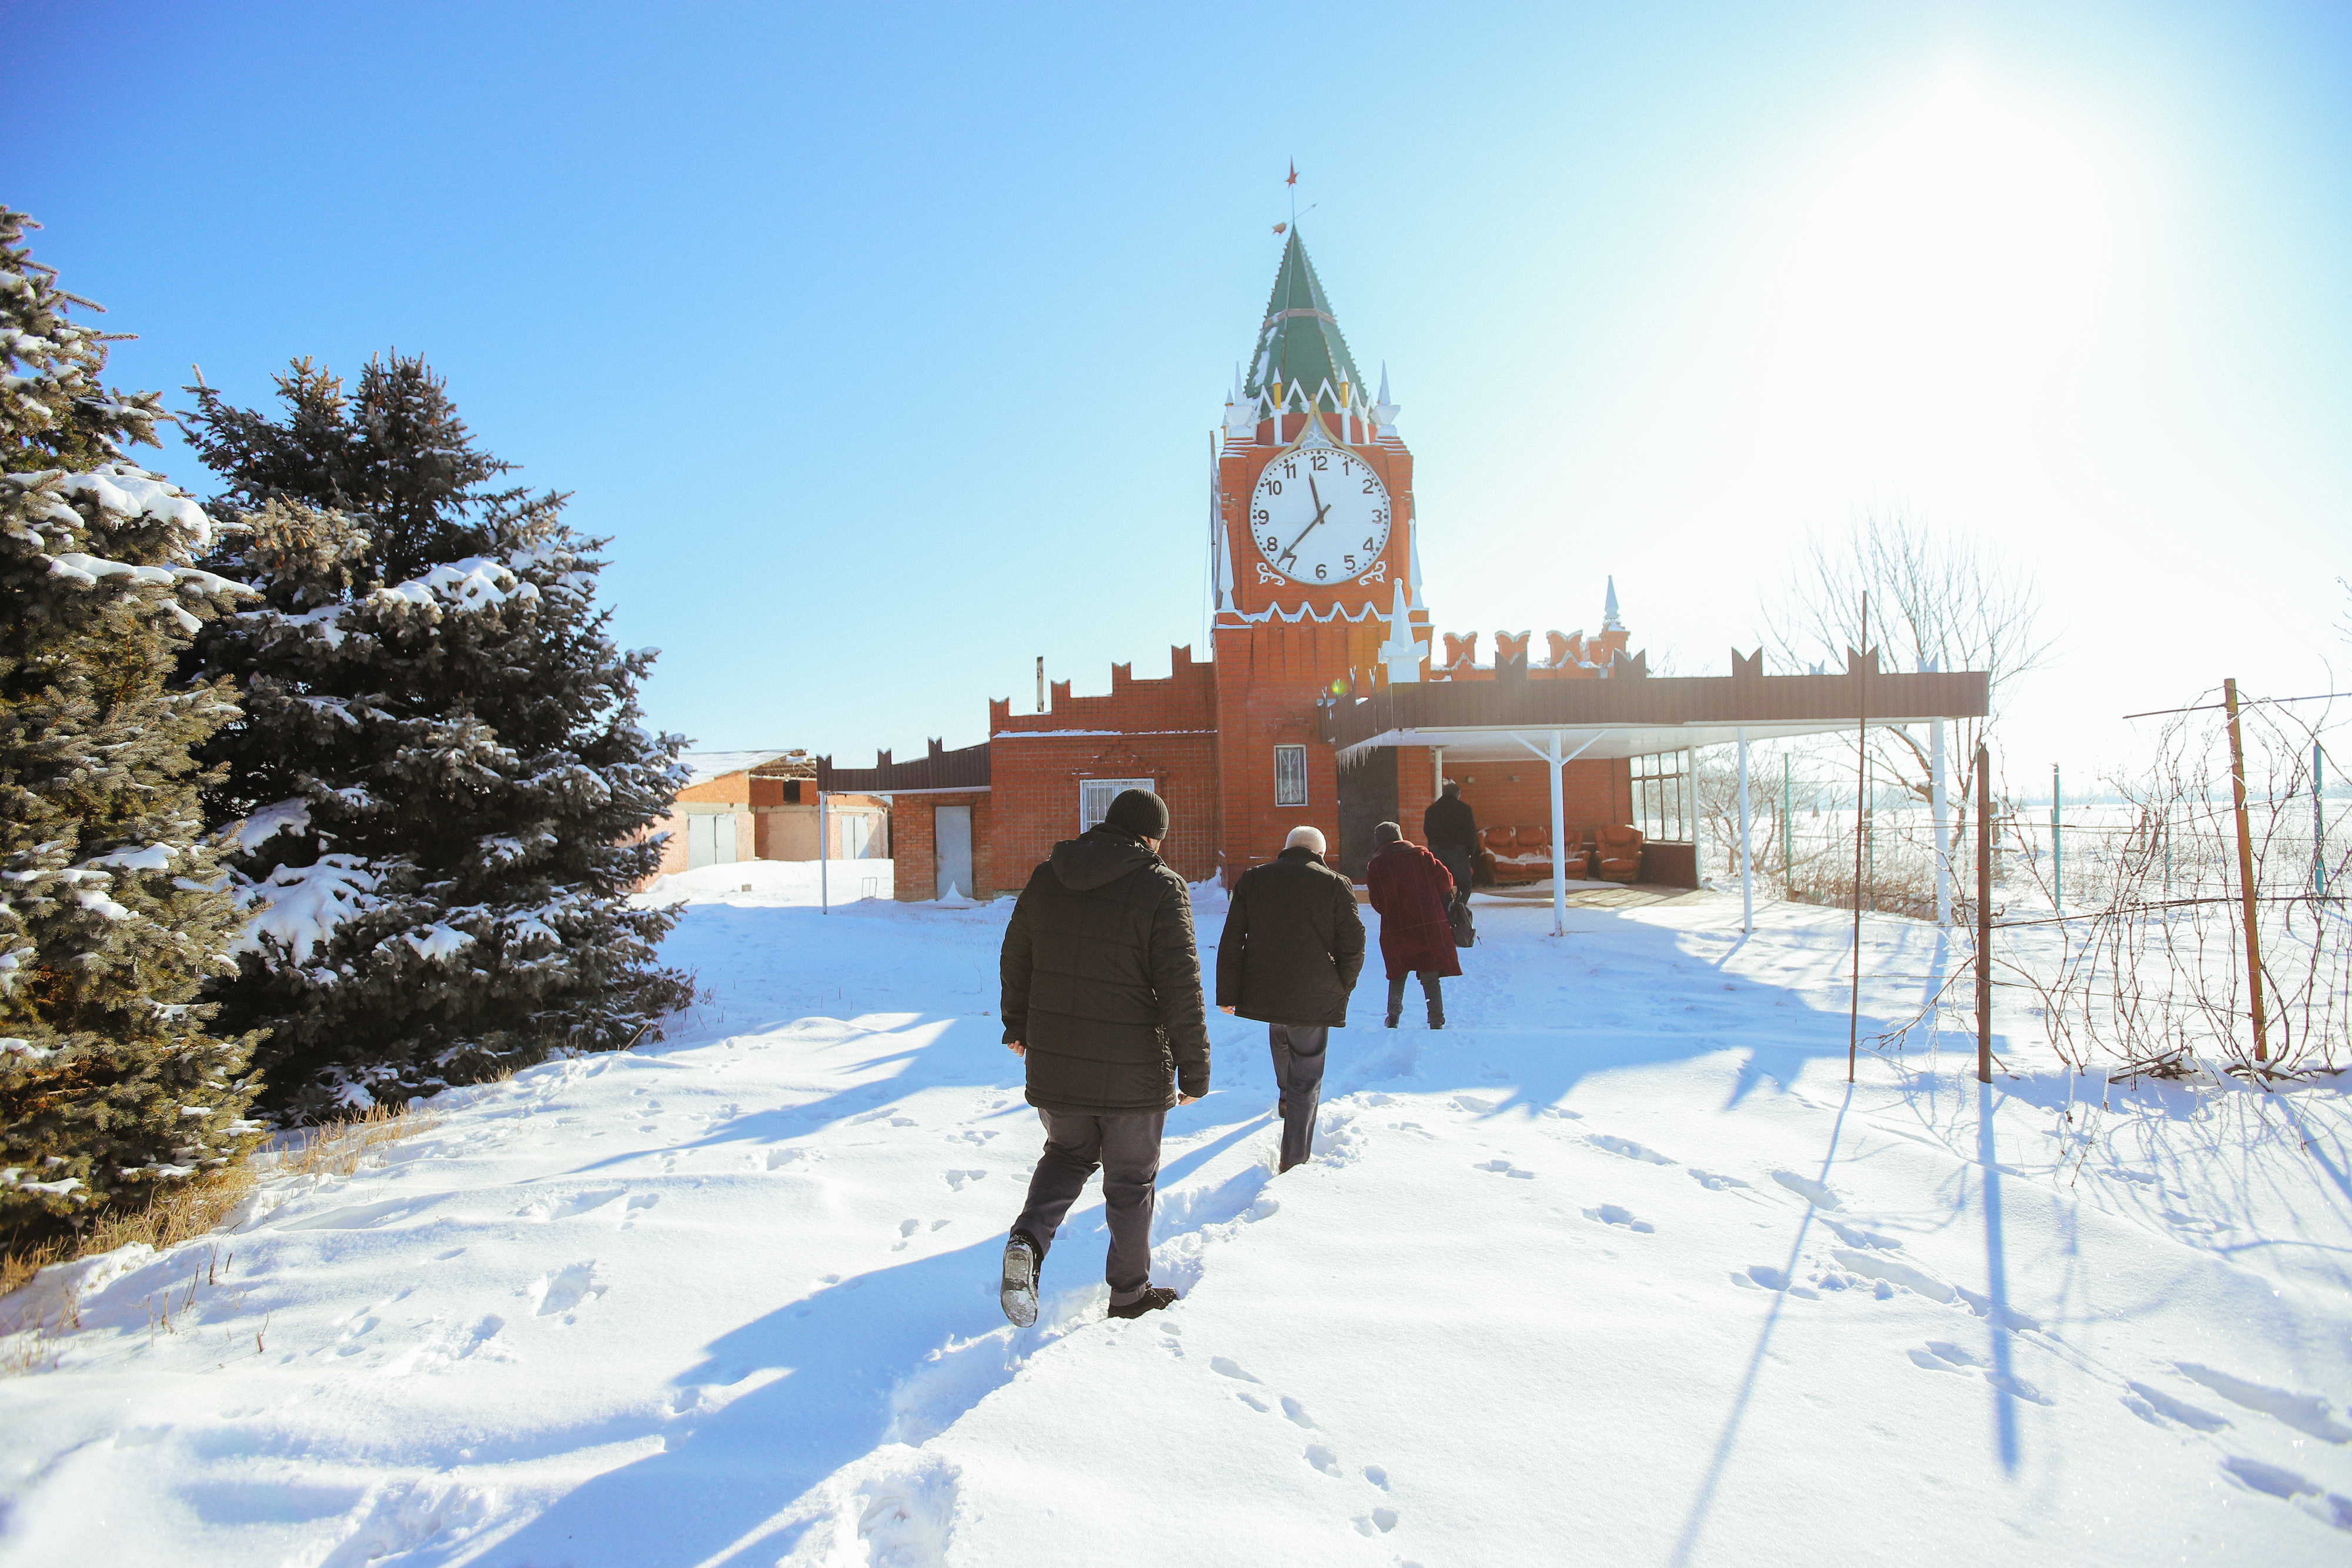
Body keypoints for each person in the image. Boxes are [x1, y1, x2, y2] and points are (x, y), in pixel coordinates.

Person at [998, 788, 1208, 1327]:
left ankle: (1027, 1240)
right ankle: (1129, 1293)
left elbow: (1016, 951)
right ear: (1149, 836)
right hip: (1135, 1070)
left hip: (1056, 1063)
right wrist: (1195, 1067)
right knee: (1131, 1181)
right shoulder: (1162, 887)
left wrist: (1016, 1024)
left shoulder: (1050, 875)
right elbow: (1180, 984)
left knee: (1066, 1156)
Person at [1214, 825, 1365, 1173]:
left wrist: (1227, 992)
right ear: (1320, 854)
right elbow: (1354, 944)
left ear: (1287, 848)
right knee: (1307, 1074)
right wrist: (1342, 987)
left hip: (1265, 988)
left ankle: (1285, 1096)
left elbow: (1232, 937)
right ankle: (1294, 1157)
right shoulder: (1334, 884)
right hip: (1314, 993)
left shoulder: (1253, 880)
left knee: (1280, 1032)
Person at [1365, 821, 1462, 1029]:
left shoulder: (1377, 865)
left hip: (1396, 929)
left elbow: (1379, 903)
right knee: (1430, 972)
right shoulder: (1422, 856)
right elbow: (1446, 883)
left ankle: (1393, 1017)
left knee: (1397, 972)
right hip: (1429, 924)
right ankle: (1436, 1017)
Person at [1422, 779, 1479, 901]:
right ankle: (1459, 908)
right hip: (1458, 852)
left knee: (1441, 883)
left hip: (1436, 851)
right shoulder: (1464, 809)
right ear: (1458, 795)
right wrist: (1470, 852)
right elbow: (1471, 833)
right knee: (1465, 885)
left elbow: (1427, 830)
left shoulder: (1432, 810)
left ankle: (1445, 908)